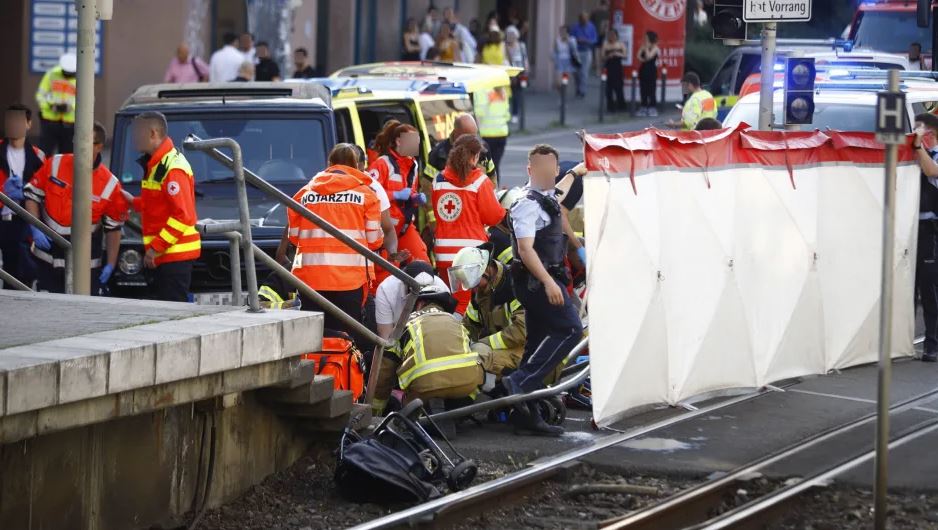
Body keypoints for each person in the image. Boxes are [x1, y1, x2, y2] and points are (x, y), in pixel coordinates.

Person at [502, 144, 584, 436]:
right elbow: (525, 249)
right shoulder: (526, 203)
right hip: (536, 282)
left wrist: (577, 172)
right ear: (530, 170)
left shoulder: (546, 195)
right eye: (542, 168)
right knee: (571, 329)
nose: (548, 173)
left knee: (535, 343)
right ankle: (520, 383)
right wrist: (549, 283)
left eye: (553, 169)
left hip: (541, 280)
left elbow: (559, 192)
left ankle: (525, 414)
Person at [286, 144, 383, 334]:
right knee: (348, 337)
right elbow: (374, 240)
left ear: (329, 163)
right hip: (350, 281)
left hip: (311, 280)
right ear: (355, 165)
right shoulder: (367, 195)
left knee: (314, 337)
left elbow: (294, 237)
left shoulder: (304, 194)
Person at [24, 122, 128, 294]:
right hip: (47, 260)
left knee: (80, 308)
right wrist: (35, 227)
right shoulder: (55, 163)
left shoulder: (110, 184)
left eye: (85, 142)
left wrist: (111, 263)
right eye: (77, 140)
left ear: (99, 147)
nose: (79, 146)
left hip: (84, 267)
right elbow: (32, 195)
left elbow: (114, 229)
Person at [372, 283, 482, 415]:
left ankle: (424, 416)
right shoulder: (455, 322)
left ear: (419, 304)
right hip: (467, 386)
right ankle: (457, 412)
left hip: (424, 391)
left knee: (406, 408)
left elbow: (385, 371)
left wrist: (376, 411)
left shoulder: (405, 324)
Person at [128, 111, 201, 302]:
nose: (134, 138)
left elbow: (182, 216)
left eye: (138, 132)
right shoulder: (158, 163)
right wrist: (132, 203)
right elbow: (157, 204)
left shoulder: (172, 167)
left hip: (173, 256)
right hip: (167, 255)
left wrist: (155, 249)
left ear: (153, 133)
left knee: (172, 312)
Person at [431, 135, 505, 315]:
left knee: (449, 301)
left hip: (443, 254)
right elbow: (493, 216)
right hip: (470, 255)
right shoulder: (480, 181)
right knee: (466, 306)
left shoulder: (438, 180)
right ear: (475, 156)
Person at [452, 245, 527, 378]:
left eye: (475, 283)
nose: (474, 289)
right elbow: (469, 325)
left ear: (486, 271)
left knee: (479, 357)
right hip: (506, 350)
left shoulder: (515, 286)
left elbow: (521, 331)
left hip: (529, 350)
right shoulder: (480, 293)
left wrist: (484, 343)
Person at [368, 121, 430, 265]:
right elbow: (370, 194)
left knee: (422, 263)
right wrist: (395, 195)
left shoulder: (413, 165)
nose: (415, 146)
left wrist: (415, 198)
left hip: (404, 227)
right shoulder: (382, 163)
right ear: (399, 141)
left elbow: (410, 190)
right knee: (388, 268)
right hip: (384, 229)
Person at [0, 104, 45, 289]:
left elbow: (44, 190)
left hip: (25, 221)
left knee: (22, 272)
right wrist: (4, 191)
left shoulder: (38, 156)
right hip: (3, 218)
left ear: (28, 124)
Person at [912, 112, 938, 362]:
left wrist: (918, 146)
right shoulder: (915, 152)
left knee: (929, 289)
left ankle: (932, 344)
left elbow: (931, 171)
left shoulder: (929, 153)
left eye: (919, 129)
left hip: (931, 230)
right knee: (908, 288)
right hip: (910, 228)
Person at [374, 260, 447, 340]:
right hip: (398, 336)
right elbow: (386, 336)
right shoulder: (386, 290)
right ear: (405, 284)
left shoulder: (441, 288)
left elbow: (445, 327)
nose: (421, 302)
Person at [35, 53, 76, 155]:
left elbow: (85, 100)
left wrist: (71, 107)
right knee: (44, 153)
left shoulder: (82, 78)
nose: (68, 75)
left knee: (67, 155)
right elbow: (40, 95)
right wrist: (50, 106)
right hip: (50, 121)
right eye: (66, 72)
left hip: (69, 123)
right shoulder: (51, 75)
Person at [473, 87, 510, 179]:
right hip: (502, 133)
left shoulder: (480, 91)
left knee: (488, 166)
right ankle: (495, 186)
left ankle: (491, 186)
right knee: (495, 164)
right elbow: (507, 115)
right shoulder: (501, 90)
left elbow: (479, 113)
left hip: (488, 135)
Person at [569, 12, 597, 98]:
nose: (584, 21)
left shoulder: (591, 27)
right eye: (582, 19)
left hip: (586, 51)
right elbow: (571, 38)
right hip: (576, 51)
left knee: (583, 72)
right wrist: (577, 40)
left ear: (588, 19)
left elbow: (594, 39)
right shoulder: (575, 27)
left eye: (585, 19)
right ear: (579, 19)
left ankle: (582, 91)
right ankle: (578, 88)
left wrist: (587, 41)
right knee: (576, 73)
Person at [505, 26, 529, 122]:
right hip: (509, 72)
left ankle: (515, 114)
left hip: (520, 72)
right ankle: (509, 113)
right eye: (509, 34)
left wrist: (526, 69)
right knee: (509, 93)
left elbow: (525, 58)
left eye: (512, 34)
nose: (510, 37)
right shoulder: (505, 47)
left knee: (518, 93)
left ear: (516, 35)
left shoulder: (521, 45)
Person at [601, 29, 627, 112]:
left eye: (613, 35)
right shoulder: (605, 44)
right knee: (609, 88)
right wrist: (608, 56)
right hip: (609, 67)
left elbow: (625, 55)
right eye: (610, 35)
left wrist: (618, 54)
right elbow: (602, 57)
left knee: (619, 87)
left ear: (616, 36)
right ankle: (610, 106)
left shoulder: (620, 44)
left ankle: (621, 105)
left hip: (617, 67)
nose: (611, 37)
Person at [637, 31, 660, 117]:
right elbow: (638, 55)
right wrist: (643, 59)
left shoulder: (655, 48)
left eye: (646, 37)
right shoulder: (643, 46)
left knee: (651, 89)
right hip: (643, 69)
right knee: (643, 89)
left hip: (651, 70)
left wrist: (646, 48)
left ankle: (652, 107)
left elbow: (649, 56)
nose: (645, 39)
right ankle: (643, 106)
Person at [590, 0, 610, 75]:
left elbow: (590, 23)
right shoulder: (608, 12)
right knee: (603, 50)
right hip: (605, 34)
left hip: (596, 33)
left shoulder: (594, 12)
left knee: (597, 50)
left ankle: (598, 69)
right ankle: (602, 68)